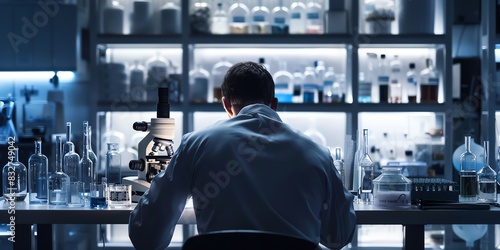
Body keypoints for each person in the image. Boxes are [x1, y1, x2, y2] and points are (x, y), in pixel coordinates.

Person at [128, 61, 357, 249]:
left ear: (226, 105)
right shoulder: (316, 152)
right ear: (274, 104)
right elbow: (339, 236)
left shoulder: (197, 143)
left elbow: (146, 236)